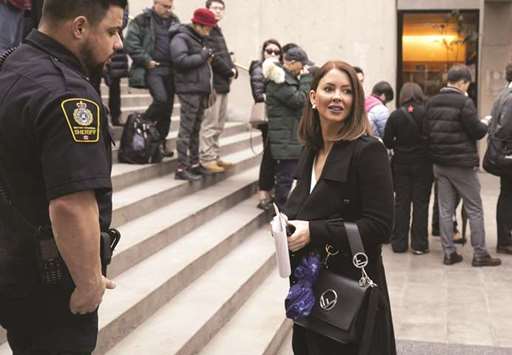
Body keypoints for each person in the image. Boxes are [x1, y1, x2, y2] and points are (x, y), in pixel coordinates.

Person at [0, 0, 125, 353]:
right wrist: (88, 284)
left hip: (13, 262)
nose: (119, 43)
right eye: (112, 31)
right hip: (49, 284)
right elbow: (71, 204)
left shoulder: (12, 62)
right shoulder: (69, 95)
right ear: (80, 27)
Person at [284, 60, 396, 355]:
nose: (337, 97)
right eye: (329, 88)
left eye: (347, 91)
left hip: (349, 293)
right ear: (313, 97)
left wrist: (315, 232)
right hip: (308, 287)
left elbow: (381, 226)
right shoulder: (311, 148)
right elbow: (304, 207)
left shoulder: (368, 150)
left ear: (355, 101)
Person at [424, 64, 501, 267]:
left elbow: (426, 133)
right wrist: (485, 122)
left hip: (440, 164)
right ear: (462, 82)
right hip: (461, 164)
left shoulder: (431, 102)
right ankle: (480, 254)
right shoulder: (464, 102)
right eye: (467, 83)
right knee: (474, 207)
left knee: (445, 209)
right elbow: (477, 131)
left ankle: (449, 253)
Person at [125, 0, 180, 156]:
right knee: (161, 100)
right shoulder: (142, 20)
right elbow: (130, 43)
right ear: (155, 3)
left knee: (167, 109)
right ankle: (142, 122)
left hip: (171, 70)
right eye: (165, 6)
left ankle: (158, 144)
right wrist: (146, 60)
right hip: (152, 68)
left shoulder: (175, 21)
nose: (168, 10)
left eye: (170, 7)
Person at [383, 82, 433, 254]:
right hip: (423, 164)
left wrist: (400, 144)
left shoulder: (395, 115)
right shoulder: (426, 113)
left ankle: (399, 243)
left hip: (401, 164)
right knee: (421, 203)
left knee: (401, 203)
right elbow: (430, 137)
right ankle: (419, 244)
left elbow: (387, 141)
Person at [169, 8, 217, 181]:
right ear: (197, 24)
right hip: (189, 90)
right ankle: (182, 167)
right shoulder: (181, 37)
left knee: (196, 130)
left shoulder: (197, 38)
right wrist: (203, 56)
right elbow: (180, 61)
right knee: (186, 130)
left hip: (199, 89)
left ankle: (195, 164)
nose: (209, 31)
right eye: (207, 27)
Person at [264, 46, 312, 209]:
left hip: (289, 136)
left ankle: (284, 211)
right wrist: (306, 80)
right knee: (285, 178)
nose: (303, 69)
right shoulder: (279, 80)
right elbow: (300, 101)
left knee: (288, 177)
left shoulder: (286, 78)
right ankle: (281, 214)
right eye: (301, 65)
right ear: (291, 63)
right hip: (286, 138)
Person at [199, 0, 237, 173]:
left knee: (219, 124)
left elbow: (223, 55)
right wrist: (229, 70)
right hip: (213, 83)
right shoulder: (206, 30)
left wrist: (232, 68)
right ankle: (206, 158)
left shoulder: (217, 30)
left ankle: (214, 155)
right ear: (207, 9)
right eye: (215, 8)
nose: (218, 11)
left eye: (221, 8)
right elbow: (212, 57)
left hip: (223, 83)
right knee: (210, 123)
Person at [249, 38, 282, 210]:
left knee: (275, 157)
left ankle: (270, 190)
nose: (273, 54)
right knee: (269, 156)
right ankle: (263, 192)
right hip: (268, 120)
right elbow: (258, 93)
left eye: (277, 52)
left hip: (279, 119)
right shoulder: (258, 67)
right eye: (269, 51)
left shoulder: (280, 70)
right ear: (263, 52)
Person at [488, 63, 512, 255]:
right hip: (508, 154)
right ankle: (505, 240)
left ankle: (505, 239)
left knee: (506, 195)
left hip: (503, 153)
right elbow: (504, 128)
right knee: (507, 196)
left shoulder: (503, 94)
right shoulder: (510, 97)